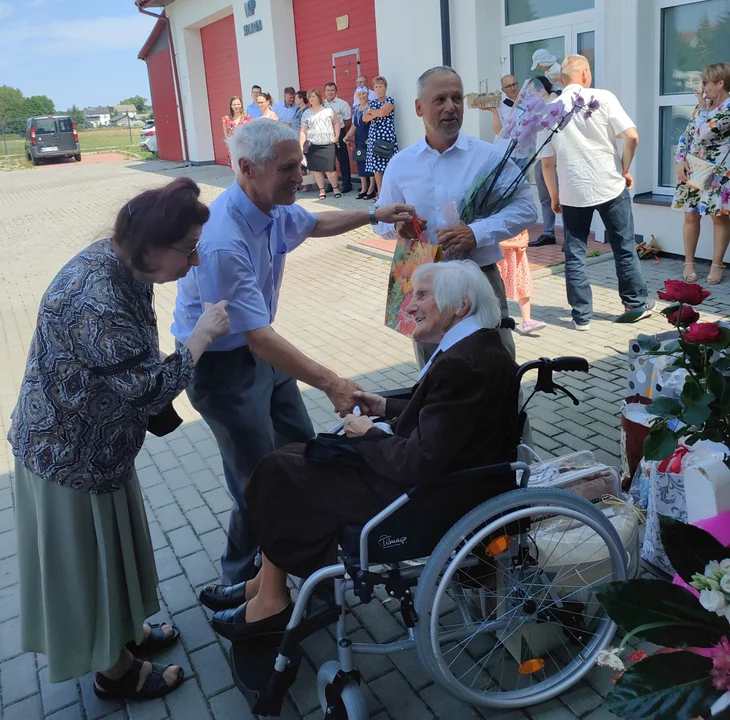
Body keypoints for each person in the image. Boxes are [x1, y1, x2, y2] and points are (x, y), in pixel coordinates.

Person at [199, 260, 518, 635]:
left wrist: (368, 434)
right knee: (284, 462)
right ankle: (265, 586)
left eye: (420, 296)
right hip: (443, 479)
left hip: (429, 496)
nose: (409, 306)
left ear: (460, 306)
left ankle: (270, 599)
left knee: (281, 470)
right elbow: (441, 418)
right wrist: (384, 408)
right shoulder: (475, 346)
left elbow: (419, 460)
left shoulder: (462, 363)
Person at [8, 178, 230, 699]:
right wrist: (196, 342)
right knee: (88, 566)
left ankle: (124, 634)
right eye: (189, 250)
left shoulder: (125, 261)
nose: (195, 262)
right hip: (67, 456)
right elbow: (146, 391)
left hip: (99, 450)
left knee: (113, 549)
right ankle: (114, 670)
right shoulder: (95, 300)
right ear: (150, 247)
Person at [172, 119, 416, 586]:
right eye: (288, 167)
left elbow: (314, 221)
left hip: (262, 353)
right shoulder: (223, 239)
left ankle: (307, 560)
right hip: (222, 368)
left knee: (304, 457)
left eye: (301, 163)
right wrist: (332, 382)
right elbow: (257, 338)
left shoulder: (270, 205)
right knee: (258, 484)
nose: (300, 174)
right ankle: (240, 585)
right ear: (246, 167)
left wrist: (372, 215)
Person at [373, 65, 537, 367]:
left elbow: (527, 208)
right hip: (425, 281)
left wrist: (478, 232)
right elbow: (381, 222)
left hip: (479, 278)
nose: (451, 107)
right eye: (440, 100)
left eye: (457, 99)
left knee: (496, 368)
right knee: (435, 373)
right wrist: (397, 227)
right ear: (419, 107)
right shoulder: (401, 164)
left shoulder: (487, 156)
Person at [539, 55, 651, 331]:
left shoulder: (549, 110)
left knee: (575, 252)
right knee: (623, 246)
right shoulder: (603, 97)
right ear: (586, 74)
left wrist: (554, 195)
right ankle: (635, 304)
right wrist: (624, 169)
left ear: (562, 80)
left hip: (572, 190)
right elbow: (632, 136)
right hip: (610, 184)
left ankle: (581, 316)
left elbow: (547, 162)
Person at [673, 62, 730, 285]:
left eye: (706, 82)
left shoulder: (726, 108)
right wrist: (679, 161)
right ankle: (689, 262)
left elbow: (705, 132)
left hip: (719, 170)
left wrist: (703, 110)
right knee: (691, 215)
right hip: (694, 167)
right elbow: (686, 136)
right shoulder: (701, 108)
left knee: (719, 217)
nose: (702, 87)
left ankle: (716, 265)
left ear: (720, 82)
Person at [527, 76, 560, 248]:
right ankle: (548, 233)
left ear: (541, 90)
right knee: (545, 198)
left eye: (532, 91)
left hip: (555, 160)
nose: (530, 95)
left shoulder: (552, 106)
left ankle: (570, 236)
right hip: (541, 158)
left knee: (562, 198)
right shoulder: (537, 109)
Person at [498, 231, 546, 335]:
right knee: (498, 288)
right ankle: (495, 318)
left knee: (523, 286)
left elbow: (525, 233)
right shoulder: (498, 219)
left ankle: (527, 321)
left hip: (517, 258)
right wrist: (516, 244)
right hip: (501, 259)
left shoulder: (518, 218)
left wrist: (524, 242)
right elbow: (496, 241)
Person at [300, 89, 341, 199]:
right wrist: (301, 145)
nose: (312, 98)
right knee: (317, 169)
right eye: (310, 97)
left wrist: (336, 136)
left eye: (314, 96)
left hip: (327, 143)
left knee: (330, 169)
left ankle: (335, 189)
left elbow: (336, 122)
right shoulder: (306, 113)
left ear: (319, 97)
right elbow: (303, 131)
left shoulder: (328, 110)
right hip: (314, 144)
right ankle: (322, 191)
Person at [364, 76, 399, 200]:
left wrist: (372, 112)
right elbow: (365, 118)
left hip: (386, 136)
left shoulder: (389, 101)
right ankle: (380, 193)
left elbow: (383, 113)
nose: (378, 89)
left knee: (388, 165)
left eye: (381, 86)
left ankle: (390, 193)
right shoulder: (372, 102)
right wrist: (375, 112)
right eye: (376, 87)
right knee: (376, 167)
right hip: (374, 136)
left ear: (385, 88)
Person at [345, 85, 376, 199]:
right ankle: (364, 187)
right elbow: (355, 125)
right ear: (356, 96)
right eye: (359, 94)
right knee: (360, 162)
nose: (362, 96)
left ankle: (372, 188)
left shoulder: (371, 106)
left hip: (369, 137)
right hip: (359, 138)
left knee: (370, 162)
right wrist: (347, 135)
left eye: (364, 94)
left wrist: (371, 137)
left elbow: (374, 123)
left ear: (368, 94)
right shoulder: (356, 108)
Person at [324, 82, 353, 194]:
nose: (330, 92)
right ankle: (333, 184)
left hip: (339, 133)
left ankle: (347, 184)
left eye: (332, 90)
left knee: (343, 160)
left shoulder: (342, 104)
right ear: (325, 92)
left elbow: (347, 121)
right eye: (328, 90)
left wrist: (342, 134)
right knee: (329, 160)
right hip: (326, 134)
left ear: (336, 91)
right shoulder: (322, 104)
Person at [222, 96, 253, 169]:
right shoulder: (226, 119)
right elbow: (226, 135)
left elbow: (251, 133)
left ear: (241, 105)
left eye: (238, 104)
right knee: (236, 169)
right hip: (233, 148)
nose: (236, 106)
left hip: (245, 147)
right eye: (234, 105)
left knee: (245, 168)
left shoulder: (248, 118)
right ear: (231, 106)